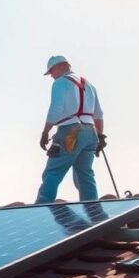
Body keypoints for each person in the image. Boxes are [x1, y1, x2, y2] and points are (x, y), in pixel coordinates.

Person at [35, 55, 106, 204]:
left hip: (71, 133)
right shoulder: (89, 85)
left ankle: (41, 208)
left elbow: (56, 108)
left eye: (51, 71)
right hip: (90, 133)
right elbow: (98, 114)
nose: (51, 76)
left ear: (60, 66)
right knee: (85, 175)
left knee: (53, 172)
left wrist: (45, 132)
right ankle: (93, 211)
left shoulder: (61, 83)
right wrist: (100, 136)